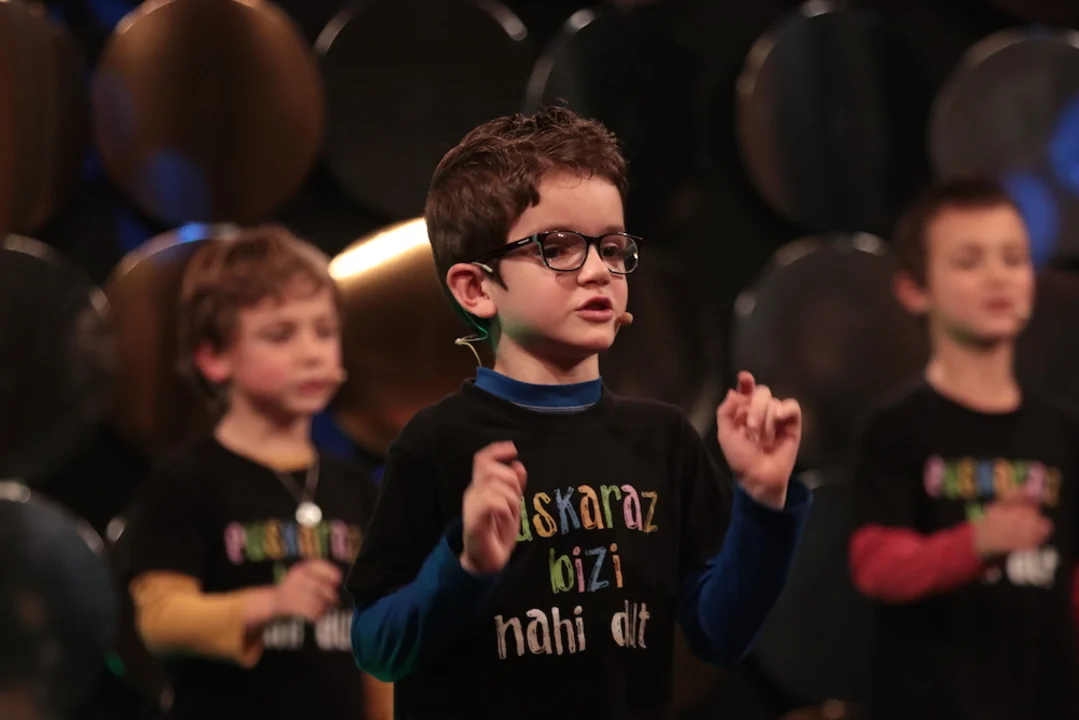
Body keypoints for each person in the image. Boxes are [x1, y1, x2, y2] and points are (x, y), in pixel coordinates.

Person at [345, 106, 813, 720]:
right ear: (476, 288)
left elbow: (719, 633)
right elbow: (377, 646)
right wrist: (464, 566)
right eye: (558, 247)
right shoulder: (437, 442)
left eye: (613, 247)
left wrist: (763, 501)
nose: (598, 271)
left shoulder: (663, 439)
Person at [123, 227, 392, 720]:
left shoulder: (356, 488)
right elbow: (160, 619)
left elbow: (378, 645)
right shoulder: (187, 481)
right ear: (214, 358)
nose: (312, 352)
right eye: (280, 335)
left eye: (324, 331)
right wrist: (268, 603)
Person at [848, 177, 1079, 720]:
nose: (999, 276)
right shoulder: (895, 428)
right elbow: (876, 566)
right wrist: (975, 544)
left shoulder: (1064, 433)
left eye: (1014, 258)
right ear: (914, 289)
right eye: (969, 261)